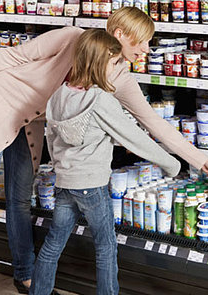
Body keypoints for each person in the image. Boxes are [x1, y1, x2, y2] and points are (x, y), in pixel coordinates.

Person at [0, 7, 208, 295]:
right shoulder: (72, 38)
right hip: (0, 106)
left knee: (20, 200)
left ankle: (26, 276)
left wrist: (200, 160)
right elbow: (15, 55)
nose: (145, 50)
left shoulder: (120, 78)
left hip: (28, 123)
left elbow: (153, 123)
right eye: (140, 42)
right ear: (119, 35)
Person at [30, 30, 180, 295]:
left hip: (65, 183)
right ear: (99, 62)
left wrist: (60, 168)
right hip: (92, 186)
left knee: (53, 243)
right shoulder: (100, 101)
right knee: (106, 247)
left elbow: (51, 141)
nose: (115, 69)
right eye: (113, 63)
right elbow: (134, 138)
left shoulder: (58, 96)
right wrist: (170, 163)